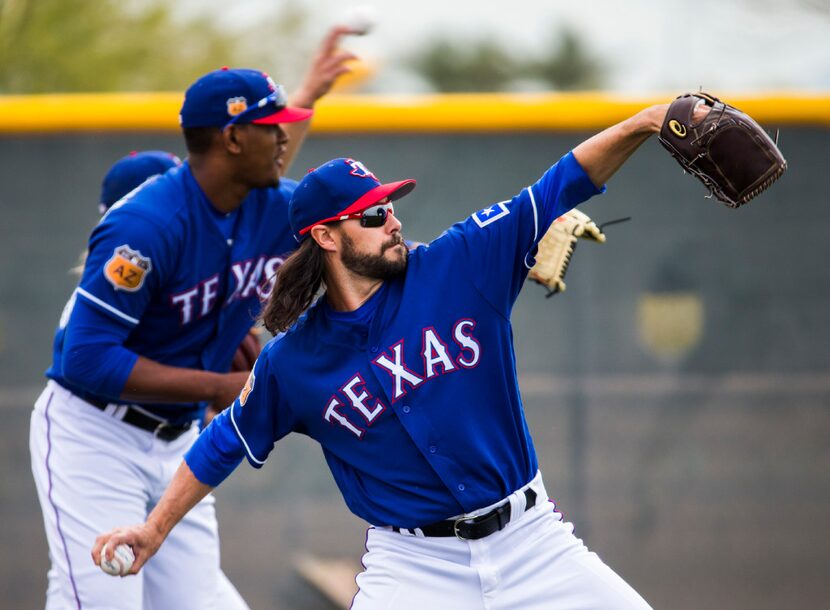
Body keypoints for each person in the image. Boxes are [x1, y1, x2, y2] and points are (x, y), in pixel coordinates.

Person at [93, 101, 709, 609]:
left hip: (533, 544)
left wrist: (645, 122)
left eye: (391, 206)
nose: (392, 220)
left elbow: (560, 183)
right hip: (415, 569)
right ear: (326, 237)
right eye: (372, 214)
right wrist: (153, 529)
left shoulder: (460, 263)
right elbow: (222, 442)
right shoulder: (293, 362)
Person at [31, 26, 358, 610]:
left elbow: (359, 235)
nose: (283, 135)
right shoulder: (147, 226)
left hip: (177, 442)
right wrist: (227, 386)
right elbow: (83, 360)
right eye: (269, 126)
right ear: (232, 138)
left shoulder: (269, 206)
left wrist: (497, 248)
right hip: (95, 437)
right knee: (105, 601)